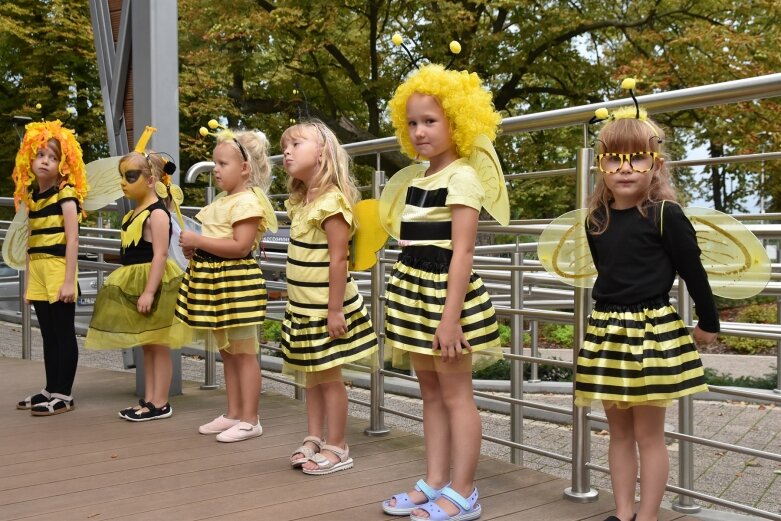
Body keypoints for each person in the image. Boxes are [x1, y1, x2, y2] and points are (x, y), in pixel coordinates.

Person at [577, 107, 717, 521]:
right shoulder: (596, 219)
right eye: (613, 159)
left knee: (648, 434)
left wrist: (709, 322)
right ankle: (623, 514)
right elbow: (609, 273)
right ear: (600, 164)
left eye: (636, 157)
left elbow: (694, 272)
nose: (624, 169)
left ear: (655, 164)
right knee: (617, 432)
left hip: (652, 331)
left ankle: (648, 515)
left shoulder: (665, 216)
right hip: (606, 329)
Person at [381, 64, 505, 521]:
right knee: (429, 392)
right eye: (412, 122)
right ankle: (435, 481)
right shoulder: (417, 180)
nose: (419, 131)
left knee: (456, 394)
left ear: (459, 122)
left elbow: (463, 251)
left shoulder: (462, 178)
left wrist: (450, 318)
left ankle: (465, 489)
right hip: (415, 295)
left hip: (447, 301)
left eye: (430, 121)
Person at [280, 120, 379, 476]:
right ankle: (313, 437)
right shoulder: (302, 201)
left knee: (330, 377)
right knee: (312, 375)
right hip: (303, 308)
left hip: (325, 309)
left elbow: (339, 258)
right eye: (285, 146)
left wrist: (334, 310)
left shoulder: (332, 203)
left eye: (296, 144)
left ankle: (338, 443)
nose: (287, 151)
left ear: (322, 153)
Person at [175, 129, 275, 442]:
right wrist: (196, 248)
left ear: (244, 168)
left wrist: (199, 240)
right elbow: (217, 241)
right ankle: (233, 412)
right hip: (217, 284)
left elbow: (241, 246)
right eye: (215, 163)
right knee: (228, 351)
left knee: (244, 353)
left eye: (222, 163)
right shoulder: (224, 200)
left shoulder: (247, 201)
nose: (215, 169)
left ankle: (250, 418)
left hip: (236, 285)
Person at [85, 150, 190, 421]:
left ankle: (161, 401)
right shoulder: (131, 215)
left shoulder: (157, 214)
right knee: (148, 344)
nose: (123, 182)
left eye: (130, 176)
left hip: (154, 282)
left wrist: (149, 291)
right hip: (135, 279)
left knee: (158, 343)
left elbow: (160, 254)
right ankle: (150, 399)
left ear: (151, 179)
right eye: (121, 176)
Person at [12, 120, 88, 416]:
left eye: (53, 157)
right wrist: (29, 281)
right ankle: (49, 387)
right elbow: (30, 242)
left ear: (63, 164)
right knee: (47, 333)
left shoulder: (65, 195)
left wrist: (69, 281)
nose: (45, 161)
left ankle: (64, 394)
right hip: (40, 271)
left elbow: (72, 240)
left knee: (63, 331)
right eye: (41, 154)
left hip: (58, 269)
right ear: (29, 157)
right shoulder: (32, 197)